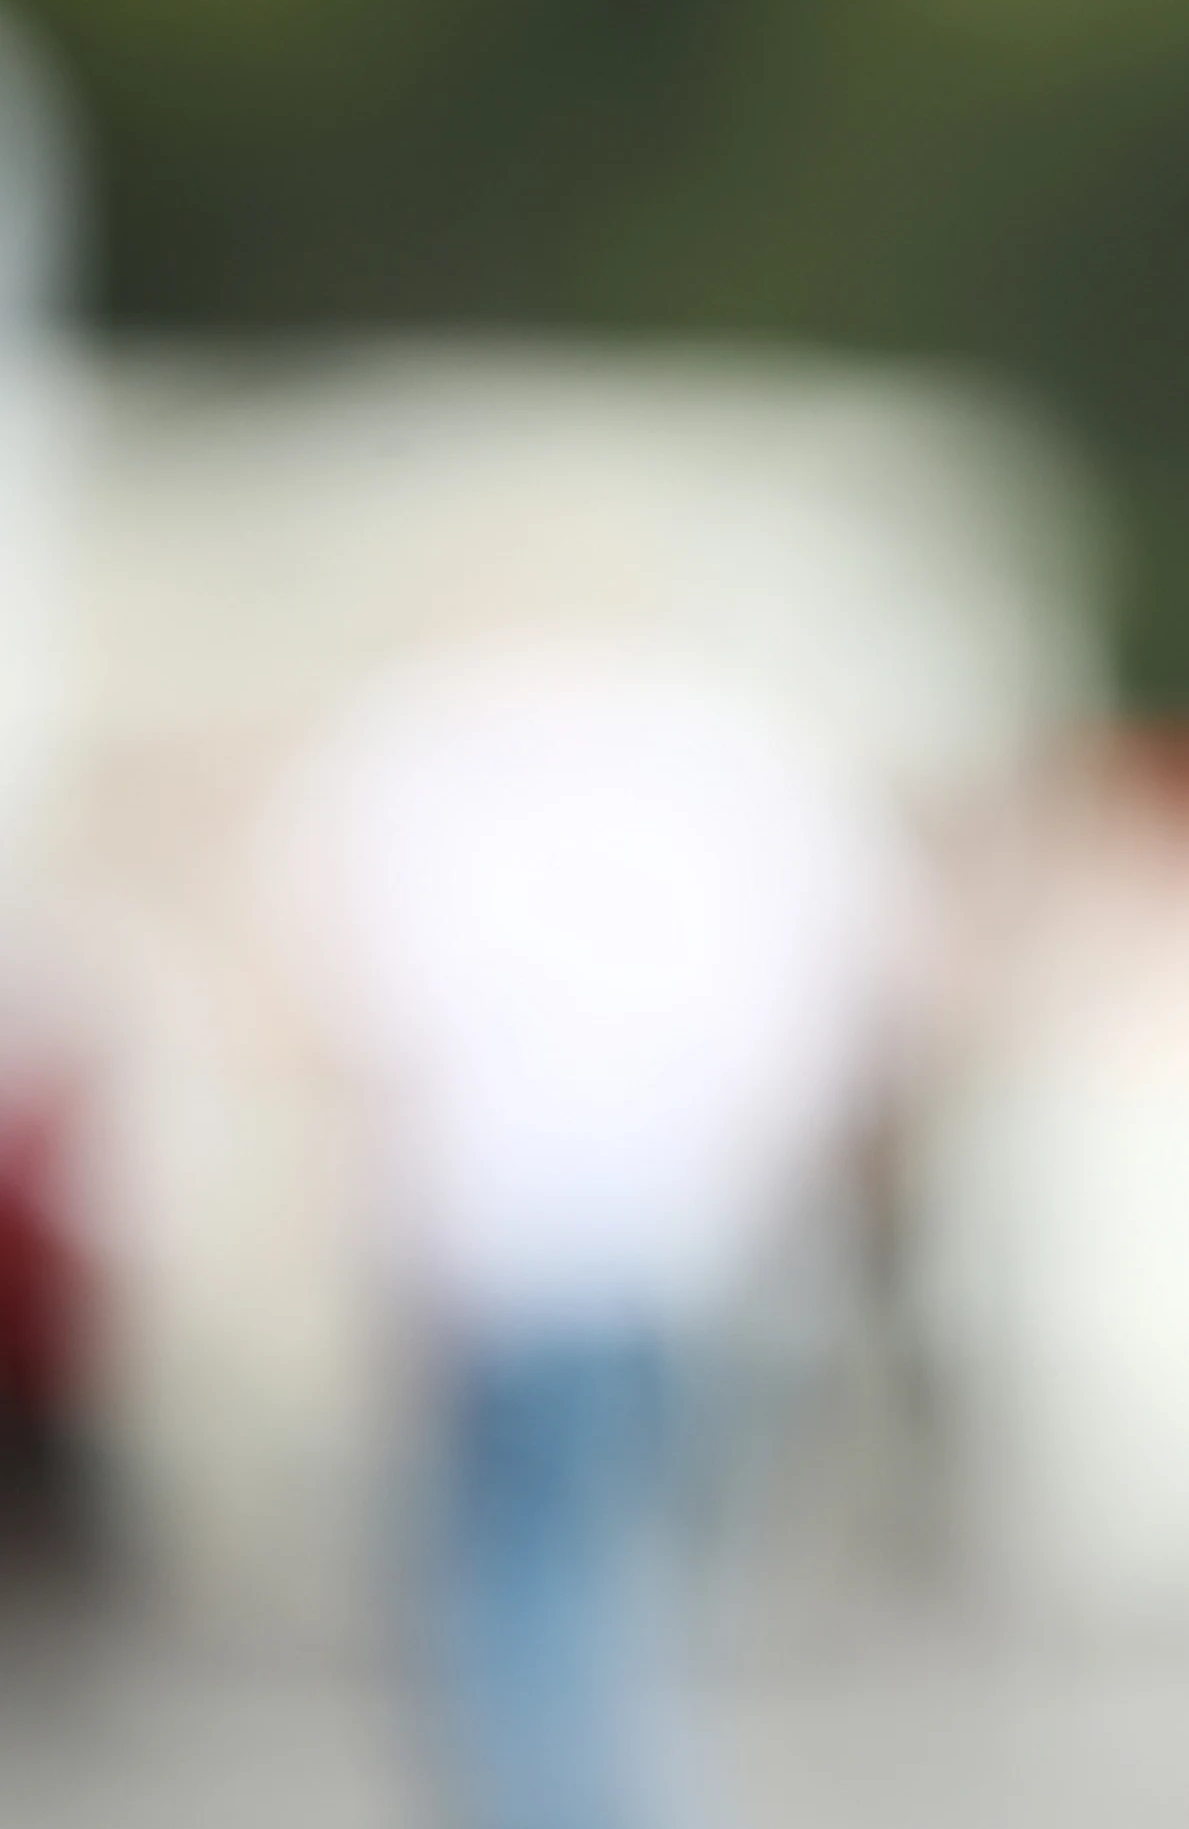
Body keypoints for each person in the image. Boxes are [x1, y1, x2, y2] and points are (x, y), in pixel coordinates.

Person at [271, 625, 916, 1829]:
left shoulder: (443, 781)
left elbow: (357, 1023)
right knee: (620, 1565)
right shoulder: (726, 774)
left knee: (524, 1569)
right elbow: (845, 1009)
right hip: (682, 1248)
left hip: (507, 1245)